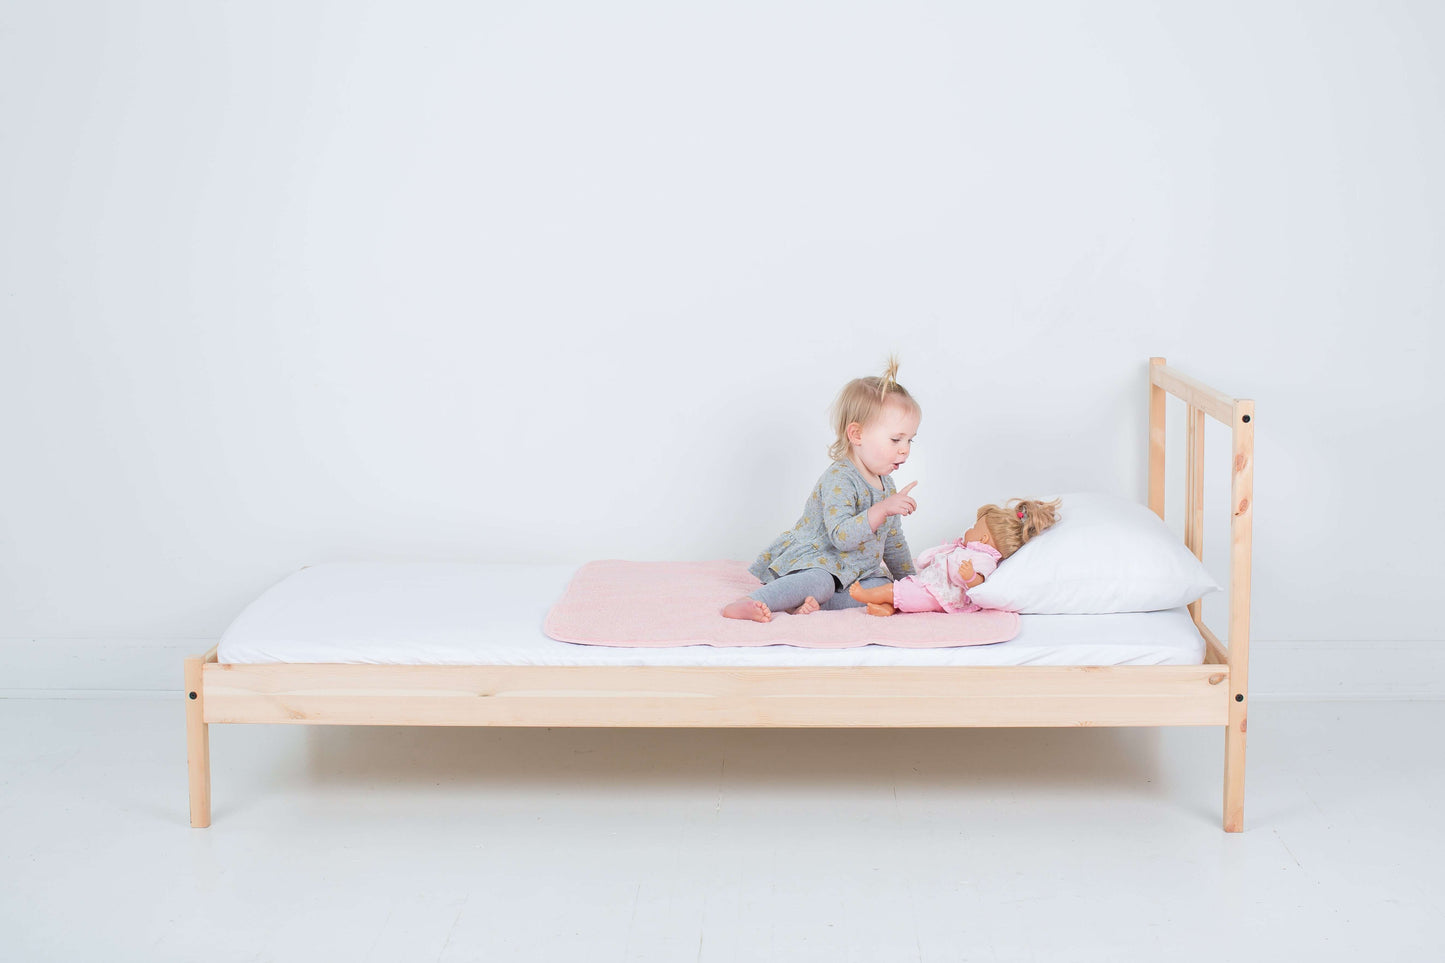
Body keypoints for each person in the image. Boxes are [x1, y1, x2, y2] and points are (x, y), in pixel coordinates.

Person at [721, 355, 921, 622]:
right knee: (821, 582)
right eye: (896, 439)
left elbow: (893, 542)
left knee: (883, 588)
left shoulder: (887, 485)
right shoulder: (840, 477)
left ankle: (808, 604)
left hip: (856, 572)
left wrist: (911, 584)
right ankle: (752, 602)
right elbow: (841, 536)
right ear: (857, 434)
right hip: (820, 562)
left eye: (910, 440)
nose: (904, 449)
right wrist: (881, 510)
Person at [848, 498, 1061, 616]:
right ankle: (887, 608)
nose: (969, 530)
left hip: (935, 593)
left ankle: (864, 595)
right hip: (930, 585)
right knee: (903, 595)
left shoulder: (983, 560)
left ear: (984, 537)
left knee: (895, 590)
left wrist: (969, 577)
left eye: (974, 527)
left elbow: (980, 581)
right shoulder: (971, 550)